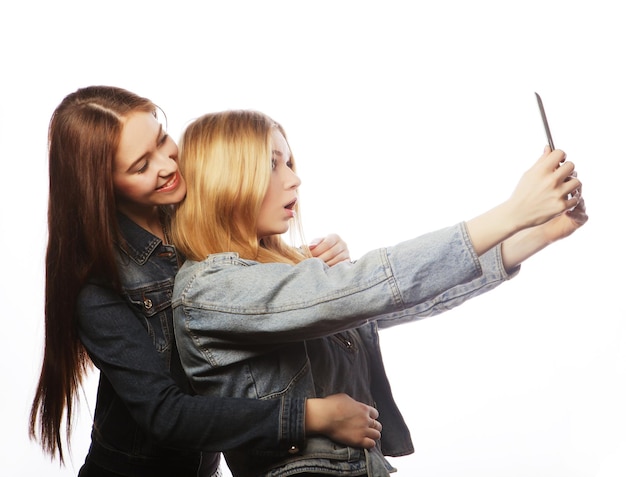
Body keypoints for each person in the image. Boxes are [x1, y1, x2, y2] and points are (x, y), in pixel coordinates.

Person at [170, 109, 588, 477]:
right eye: (272, 164)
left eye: (290, 162)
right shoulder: (210, 289)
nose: (295, 178)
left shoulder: (279, 270)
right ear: (227, 178)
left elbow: (389, 299)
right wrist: (511, 213)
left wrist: (540, 234)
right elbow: (364, 287)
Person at [28, 86, 384, 477]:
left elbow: (252, 280)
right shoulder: (97, 285)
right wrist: (309, 416)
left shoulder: (192, 212)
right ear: (102, 185)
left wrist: (309, 264)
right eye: (141, 165)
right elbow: (165, 414)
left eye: (163, 140)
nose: (166, 164)